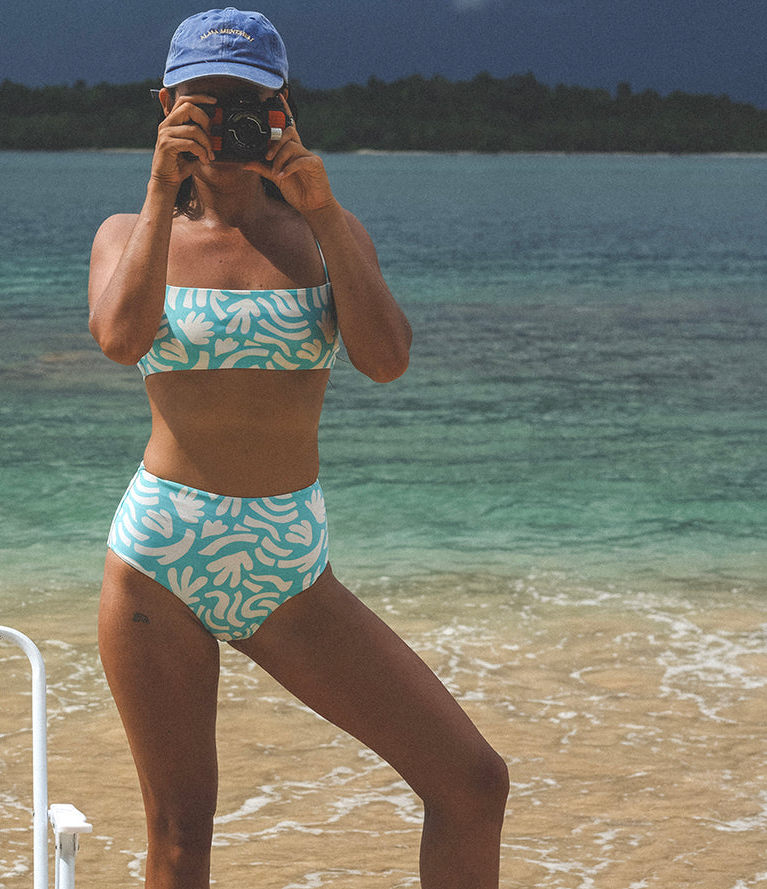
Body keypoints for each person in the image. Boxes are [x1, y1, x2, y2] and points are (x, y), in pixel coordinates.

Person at [88, 8, 509, 888]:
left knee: (471, 782)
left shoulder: (325, 235)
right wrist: (163, 191)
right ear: (165, 104)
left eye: (249, 101)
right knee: (179, 836)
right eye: (206, 101)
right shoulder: (129, 234)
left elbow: (386, 360)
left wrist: (325, 209)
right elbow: (122, 339)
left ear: (284, 109)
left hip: (286, 560)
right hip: (159, 559)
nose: (227, 119)